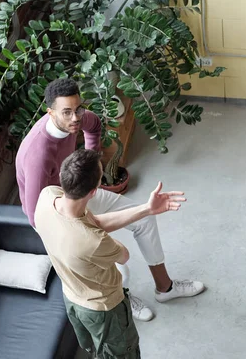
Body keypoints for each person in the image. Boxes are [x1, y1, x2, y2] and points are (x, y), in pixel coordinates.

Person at [16, 78, 205, 321]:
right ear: (50, 112)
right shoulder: (38, 155)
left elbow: (93, 125)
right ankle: (122, 297)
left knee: (145, 218)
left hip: (78, 190)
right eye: (66, 112)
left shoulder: (76, 118)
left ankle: (165, 288)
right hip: (55, 213)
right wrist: (82, 228)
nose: (75, 118)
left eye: (78, 109)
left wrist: (91, 164)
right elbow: (35, 215)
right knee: (119, 269)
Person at [35, 149, 186, 358]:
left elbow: (93, 222)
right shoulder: (92, 241)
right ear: (95, 191)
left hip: (72, 298)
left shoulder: (47, 196)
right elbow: (123, 255)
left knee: (96, 351)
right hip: (105, 310)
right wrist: (97, 235)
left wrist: (146, 210)